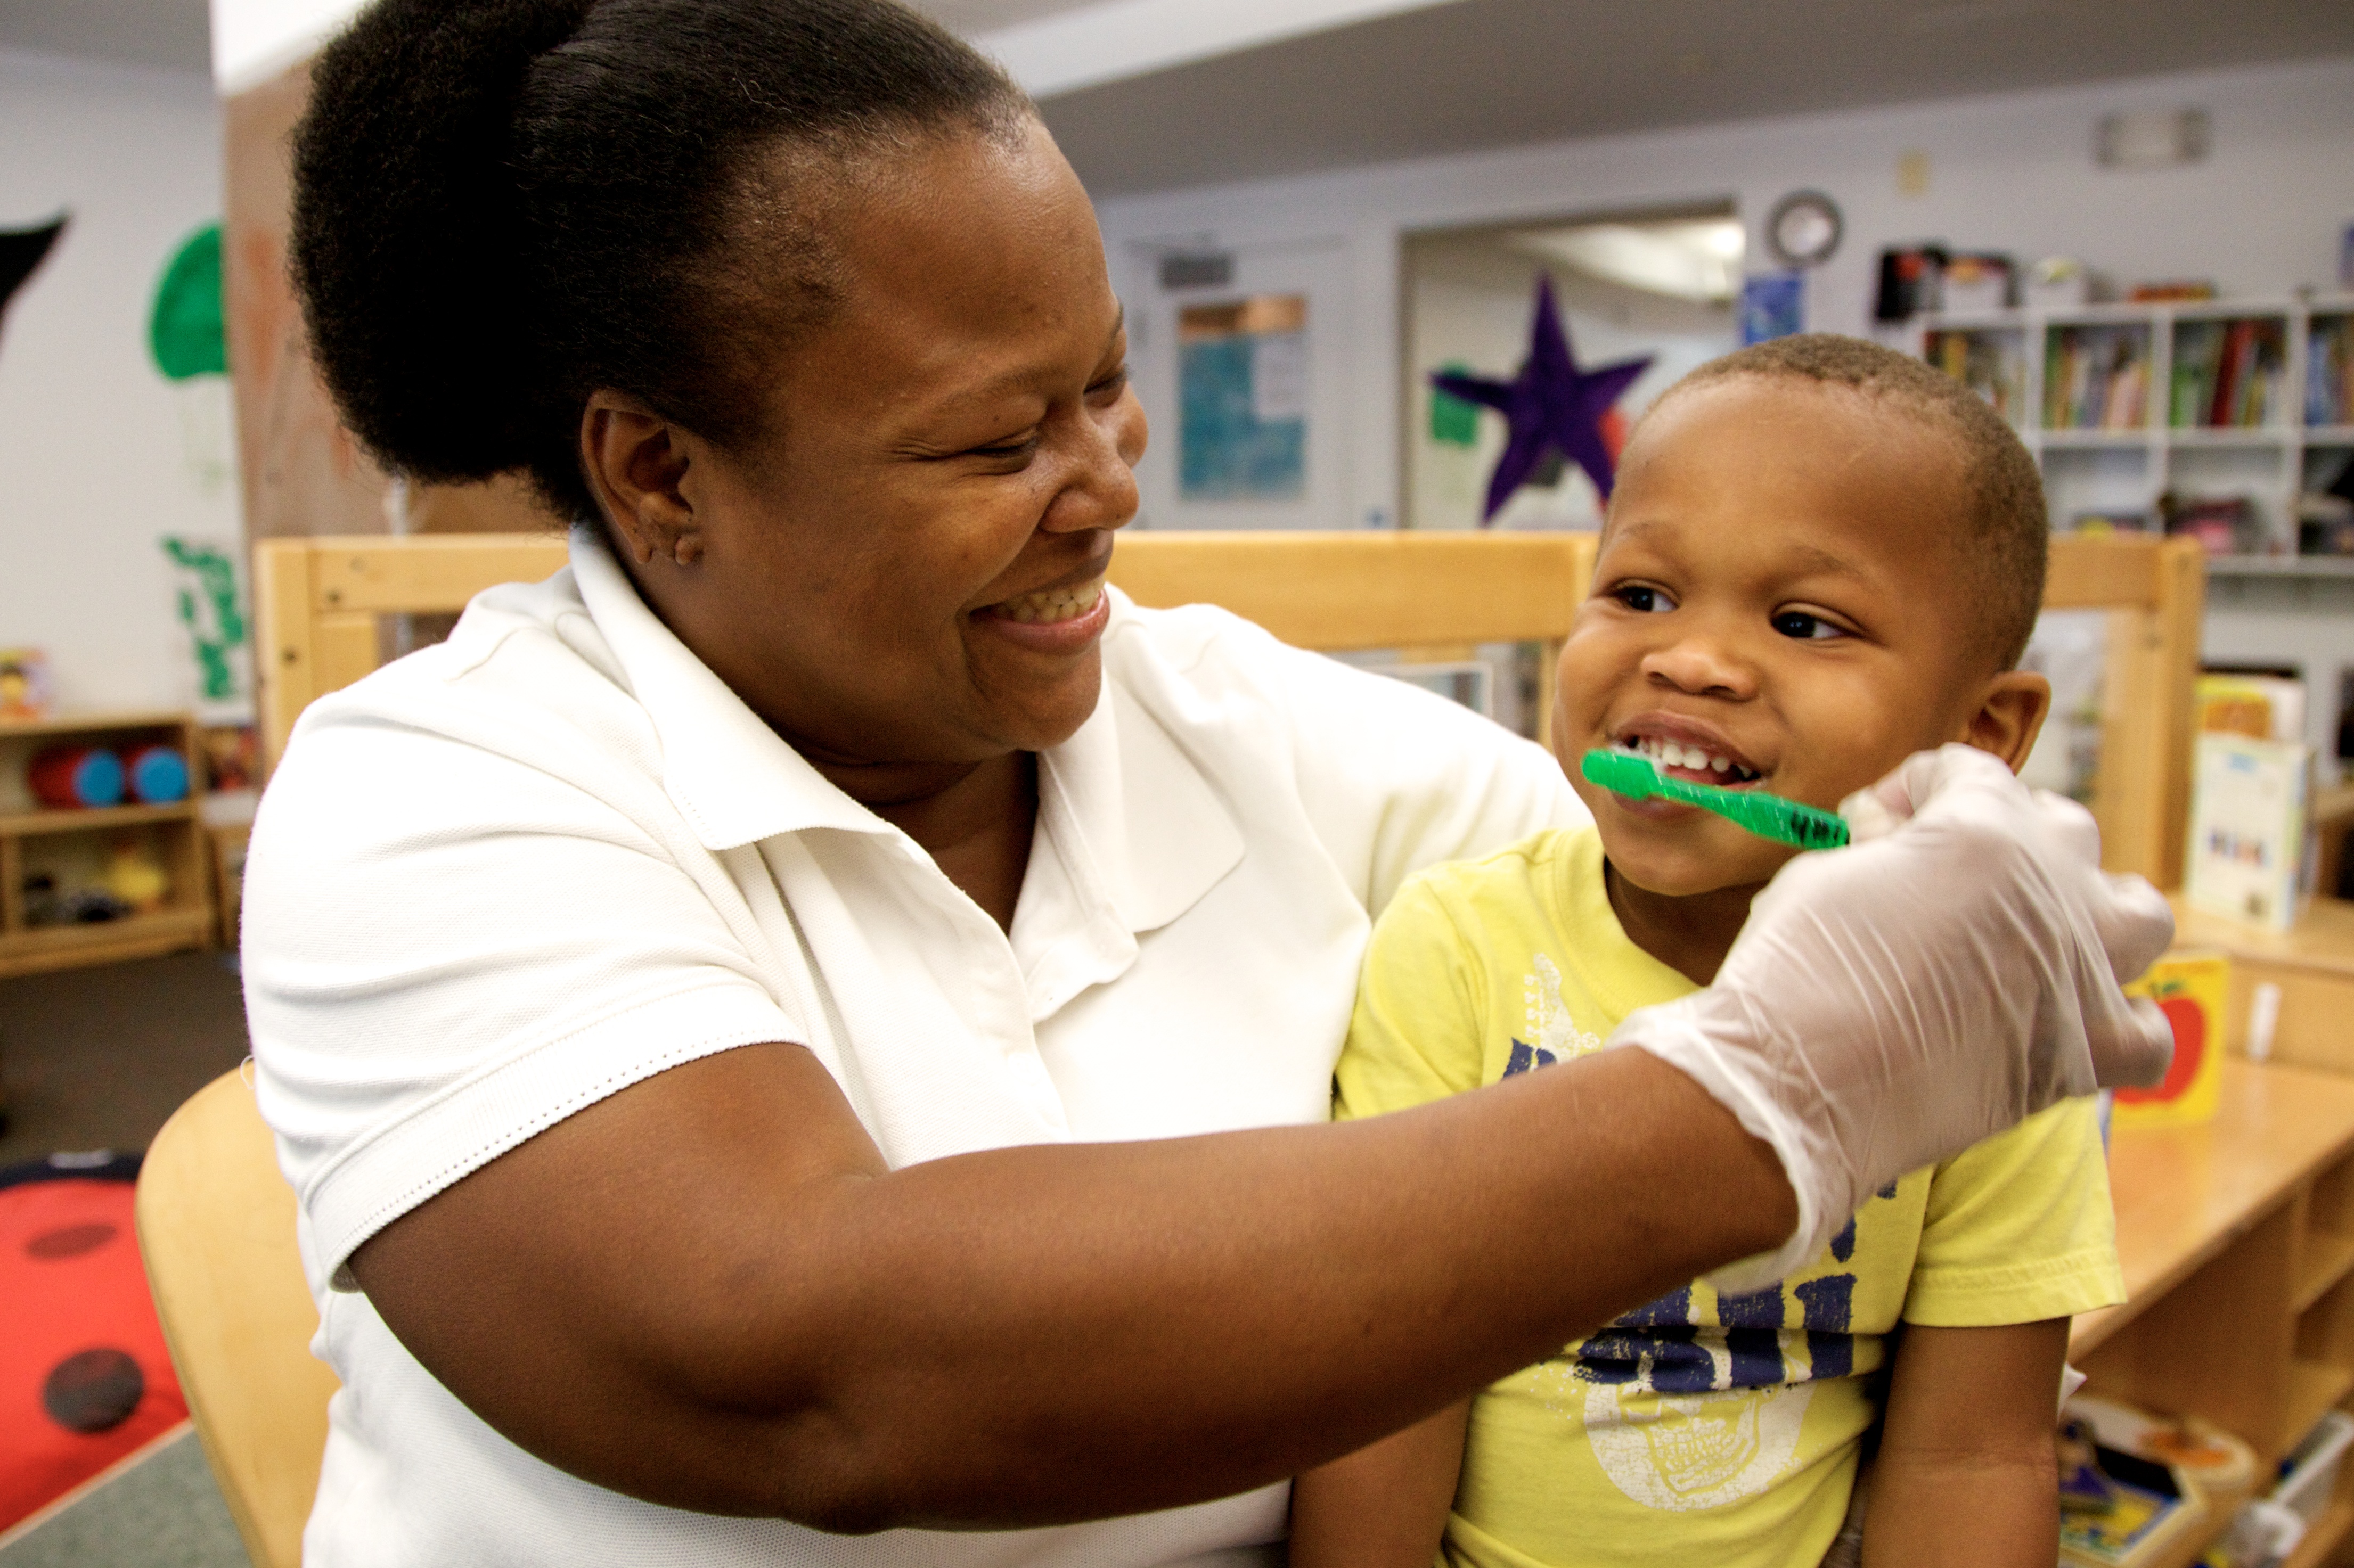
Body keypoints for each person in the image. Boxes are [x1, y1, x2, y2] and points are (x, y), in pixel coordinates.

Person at [244, 2, 2172, 1564]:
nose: (1109, 486)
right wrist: (1782, 1092)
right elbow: (809, 1365)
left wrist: (1937, 870)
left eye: (1103, 384)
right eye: (1000, 436)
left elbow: (1660, 890)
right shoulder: (433, 791)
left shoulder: (1240, 728)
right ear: (663, 475)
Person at [1290, 337, 2123, 1568]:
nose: (1686, 658)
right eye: (1638, 595)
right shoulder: (1458, 942)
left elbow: (1973, 1454)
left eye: (1803, 621)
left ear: (1982, 730)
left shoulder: (1984, 1023)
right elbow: (1386, 1387)